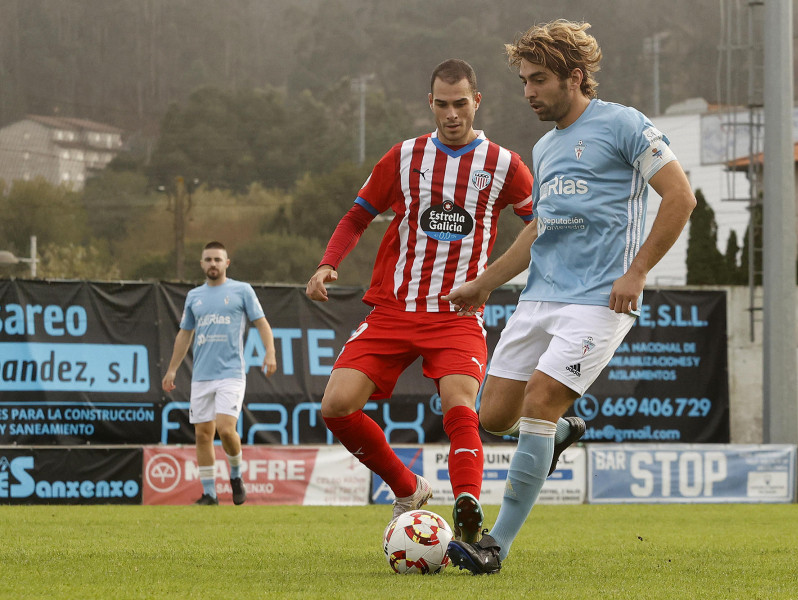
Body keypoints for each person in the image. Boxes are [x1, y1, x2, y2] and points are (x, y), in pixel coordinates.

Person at [443, 20, 697, 574]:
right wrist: (485, 282)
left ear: (575, 77)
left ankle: (494, 546)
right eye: (524, 81)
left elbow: (680, 197)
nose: (529, 91)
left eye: (538, 80)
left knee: (539, 401)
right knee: (494, 416)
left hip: (599, 301)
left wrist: (637, 272)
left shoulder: (625, 125)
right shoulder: (544, 146)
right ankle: (559, 435)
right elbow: (539, 230)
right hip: (540, 300)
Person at [305, 59, 536, 543]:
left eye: (460, 104)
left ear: (477, 102)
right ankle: (408, 488)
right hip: (394, 309)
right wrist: (329, 261)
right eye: (442, 104)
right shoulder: (404, 157)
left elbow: (541, 224)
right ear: (429, 103)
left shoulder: (504, 165)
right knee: (336, 406)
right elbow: (356, 216)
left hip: (457, 313)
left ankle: (468, 506)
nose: (452, 114)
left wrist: (506, 277)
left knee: (459, 404)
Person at [163, 241, 277, 505]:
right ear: (202, 264)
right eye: (208, 259)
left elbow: (262, 324)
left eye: (217, 259)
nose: (212, 264)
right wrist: (172, 369)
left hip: (231, 373)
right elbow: (184, 334)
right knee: (203, 434)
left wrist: (269, 352)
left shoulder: (242, 291)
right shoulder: (194, 296)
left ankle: (236, 475)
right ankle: (209, 494)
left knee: (226, 430)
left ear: (226, 263)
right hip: (201, 375)